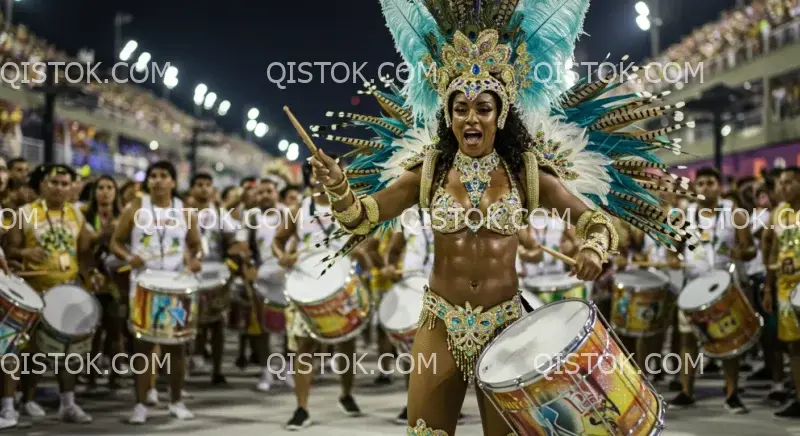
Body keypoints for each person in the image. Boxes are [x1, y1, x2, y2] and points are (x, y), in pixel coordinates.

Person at [304, 2, 695, 433]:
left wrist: (593, 248)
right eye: (460, 108)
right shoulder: (428, 170)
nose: (471, 117)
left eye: (482, 108)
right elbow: (360, 219)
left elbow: (597, 222)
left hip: (506, 327)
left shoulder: (527, 172)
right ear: (447, 115)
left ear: (501, 113)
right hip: (440, 324)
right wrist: (340, 186)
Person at [272, 157, 370, 430]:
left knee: (347, 342)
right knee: (304, 346)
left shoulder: (349, 207)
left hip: (340, 281)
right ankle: (302, 408)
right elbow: (278, 242)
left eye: (325, 172)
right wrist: (283, 257)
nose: (320, 177)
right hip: (306, 284)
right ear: (308, 178)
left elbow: (365, 235)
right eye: (314, 173)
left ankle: (346, 393)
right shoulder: (298, 209)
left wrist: (360, 248)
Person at [2, 164, 101, 426]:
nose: (59, 187)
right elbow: (9, 250)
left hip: (65, 292)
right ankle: (18, 402)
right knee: (25, 349)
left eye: (64, 183)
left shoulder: (77, 215)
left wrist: (91, 273)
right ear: (43, 185)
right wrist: (24, 254)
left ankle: (68, 404)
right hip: (32, 292)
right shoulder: (25, 213)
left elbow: (84, 253)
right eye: (54, 182)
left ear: (71, 188)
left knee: (68, 351)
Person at [110, 161, 203, 424]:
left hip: (175, 284)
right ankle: (140, 405)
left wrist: (194, 260)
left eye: (163, 176)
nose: (158, 180)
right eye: (153, 176)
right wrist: (129, 255)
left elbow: (195, 245)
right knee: (143, 346)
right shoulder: (136, 207)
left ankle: (176, 401)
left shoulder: (184, 210)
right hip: (143, 284)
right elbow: (115, 241)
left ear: (173, 182)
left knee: (176, 347)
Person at [668, 167, 755, 414]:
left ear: (720, 186)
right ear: (696, 188)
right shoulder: (685, 214)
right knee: (687, 340)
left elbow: (751, 249)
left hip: (724, 286)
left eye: (711, 183)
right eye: (702, 183)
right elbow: (673, 246)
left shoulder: (735, 213)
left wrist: (743, 253)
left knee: (728, 339)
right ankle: (687, 391)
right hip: (693, 286)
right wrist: (674, 259)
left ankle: (732, 392)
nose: (706, 187)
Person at [186, 172, 237, 384]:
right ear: (192, 189)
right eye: (200, 184)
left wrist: (232, 261)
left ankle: (217, 369)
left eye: (208, 185)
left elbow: (232, 238)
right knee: (188, 322)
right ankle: (187, 364)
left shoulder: (219, 212)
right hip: (191, 274)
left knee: (218, 324)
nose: (204, 189)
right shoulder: (182, 212)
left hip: (215, 273)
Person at [82, 175, 127, 393]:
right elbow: (81, 246)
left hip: (116, 282)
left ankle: (116, 376)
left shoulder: (124, 216)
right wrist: (101, 236)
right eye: (101, 187)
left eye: (110, 187)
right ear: (94, 192)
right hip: (90, 279)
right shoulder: (84, 215)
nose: (105, 191)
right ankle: (90, 376)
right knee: (92, 333)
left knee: (115, 331)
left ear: (116, 192)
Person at [765, 166, 800, 418]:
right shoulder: (778, 213)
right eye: (780, 183)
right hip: (785, 289)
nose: (783, 187)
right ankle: (799, 397)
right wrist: (767, 286)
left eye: (789, 182)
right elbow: (774, 251)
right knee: (793, 346)